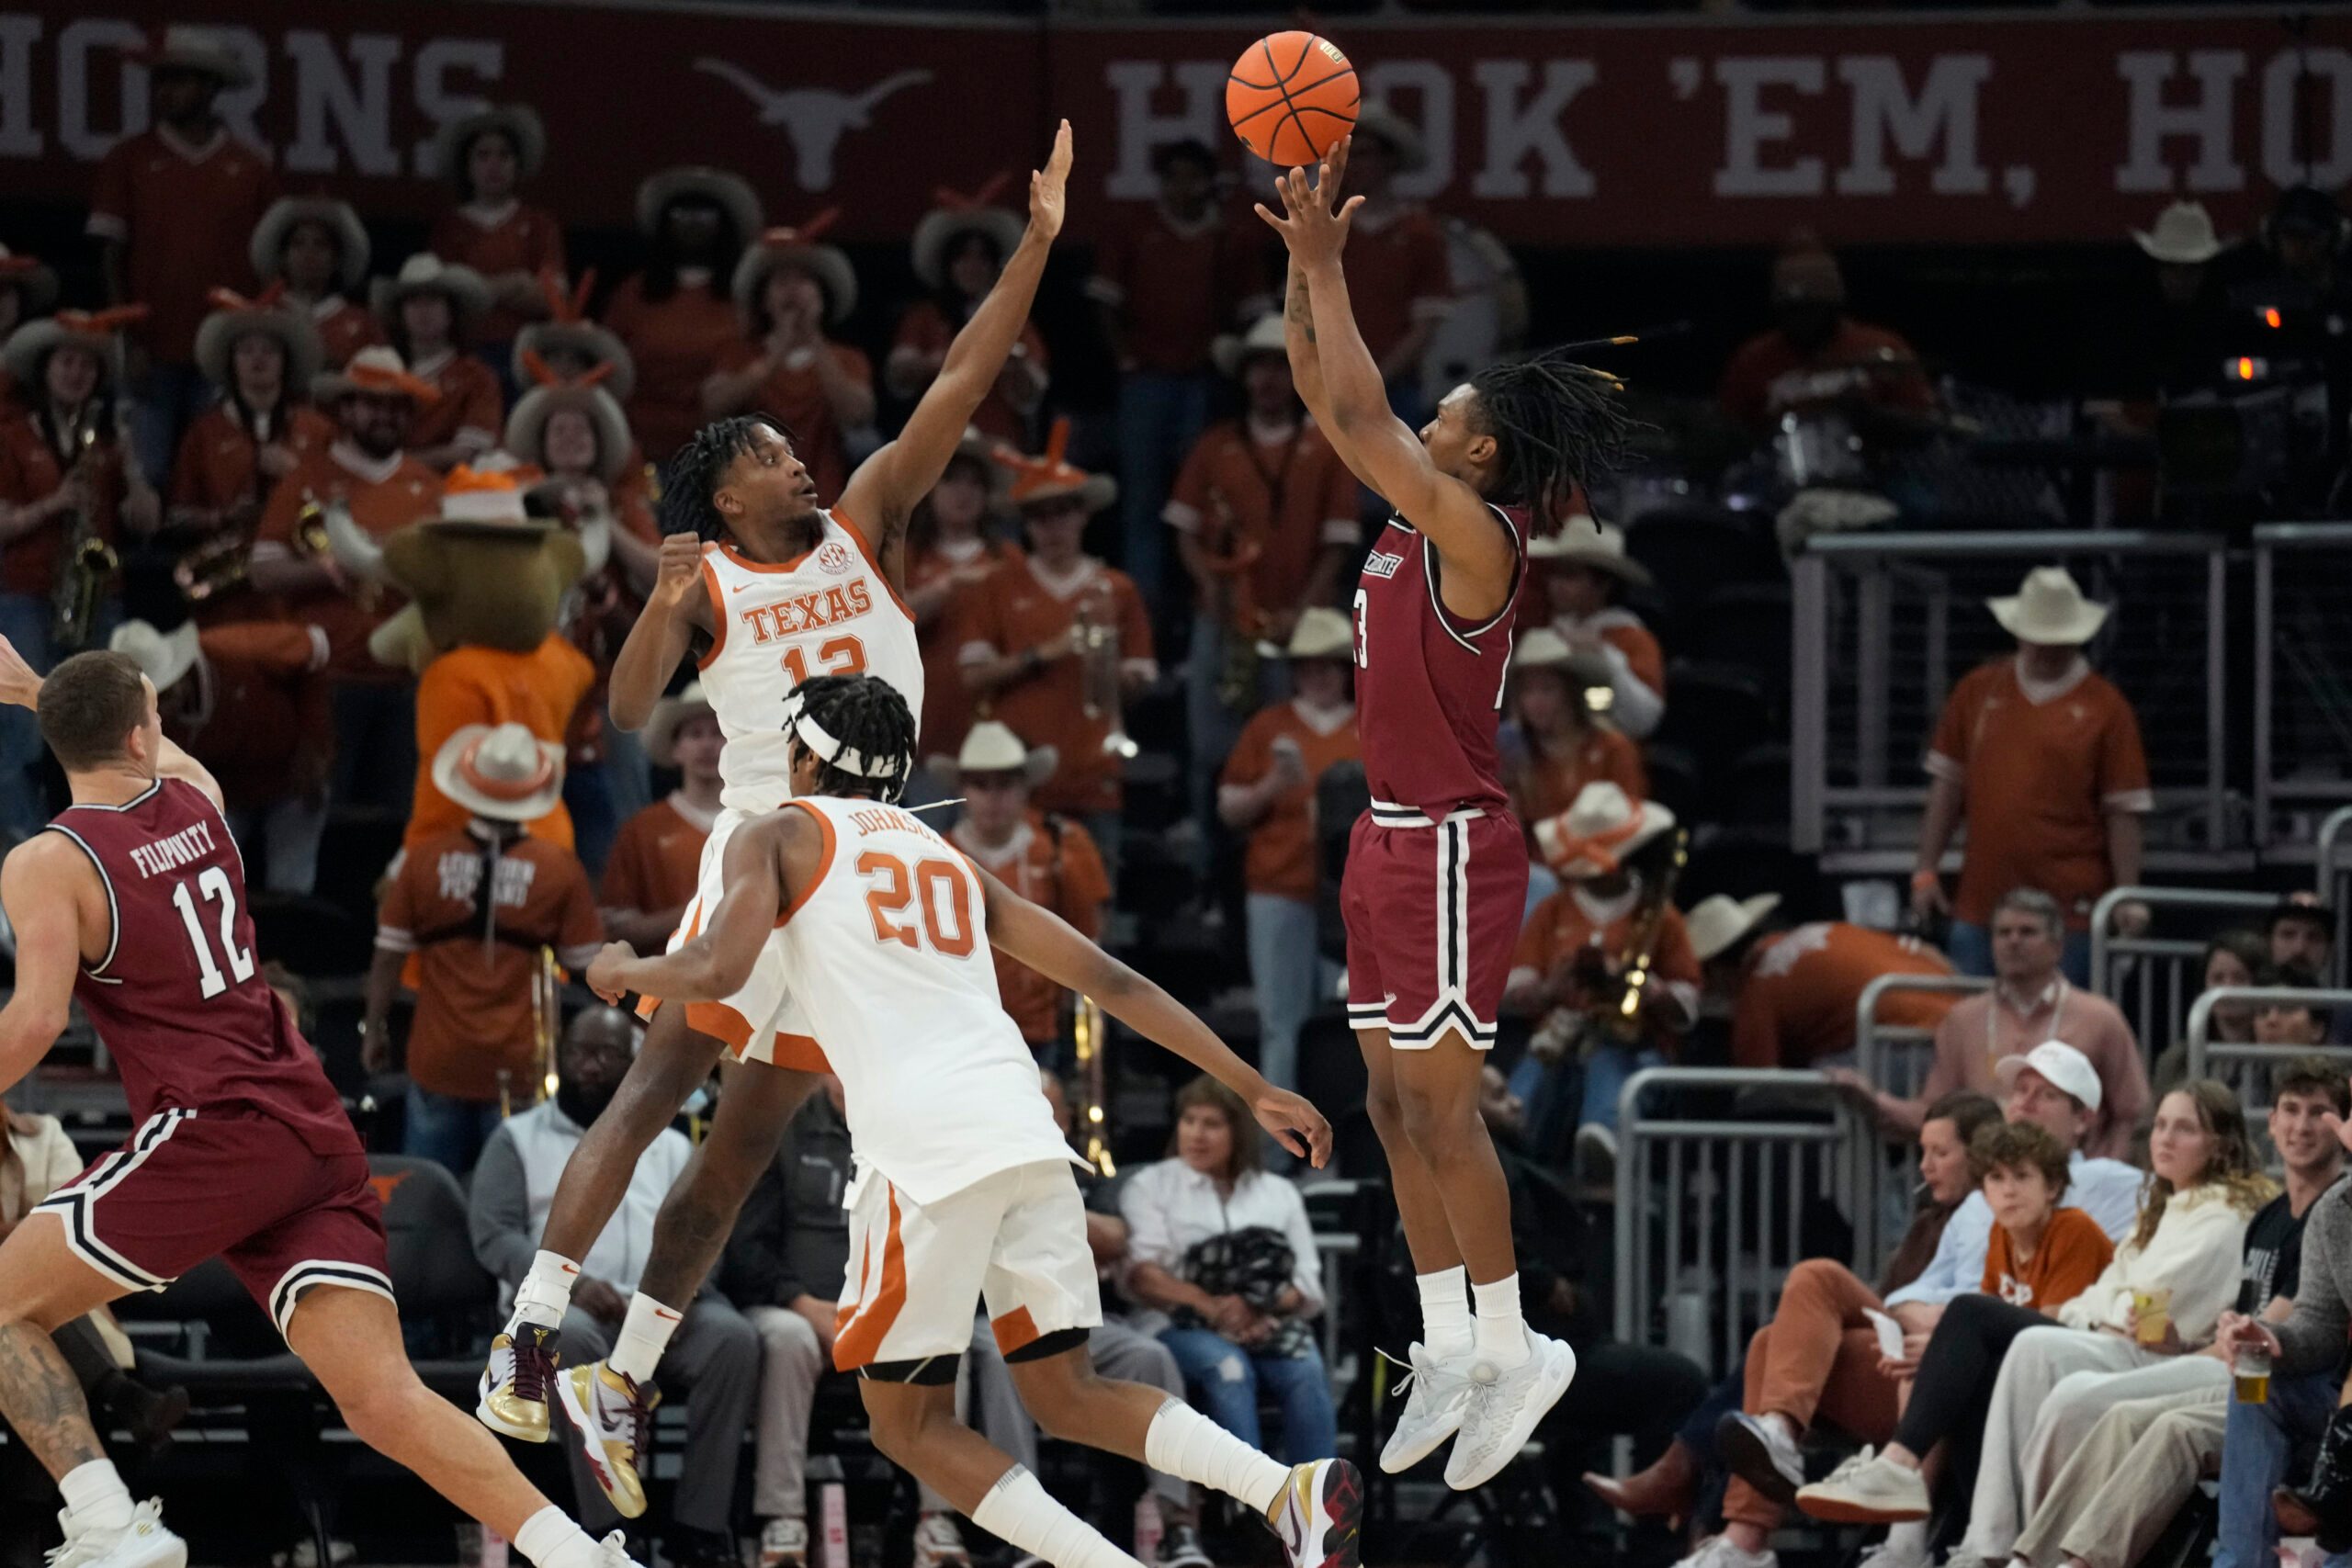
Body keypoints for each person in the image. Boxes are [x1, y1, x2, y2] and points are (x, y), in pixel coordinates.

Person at [474, 128, 1080, 1519]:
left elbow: (962, 382)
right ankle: (532, 1325)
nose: (797, 459)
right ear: (722, 493)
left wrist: (1037, 243)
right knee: (650, 1092)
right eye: (765, 452)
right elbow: (629, 713)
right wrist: (661, 603)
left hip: (871, 878)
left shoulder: (868, 517)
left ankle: (616, 1371)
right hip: (770, 857)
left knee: (739, 1150)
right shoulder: (710, 585)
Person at [583, 670, 1360, 1568]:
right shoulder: (942, 853)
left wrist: (626, 973)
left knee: (905, 1425)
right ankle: (1285, 1490)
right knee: (1069, 1392)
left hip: (923, 1152)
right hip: (1027, 1133)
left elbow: (720, 967)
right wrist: (1250, 1084)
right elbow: (1111, 980)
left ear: (801, 756)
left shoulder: (778, 831)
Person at [0, 642, 640, 1568]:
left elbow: (34, 1021)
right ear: (142, 734)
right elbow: (135, 743)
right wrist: (33, 686)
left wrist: (32, 695)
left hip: (216, 1131)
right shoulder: (200, 798)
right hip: (311, 1129)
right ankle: (580, 1555)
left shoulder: (49, 860)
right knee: (383, 1400)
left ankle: (105, 1520)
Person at [1261, 136, 1642, 1489]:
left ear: (1483, 448)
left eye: (1448, 413)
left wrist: (1328, 262)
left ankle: (1516, 1336)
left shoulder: (1477, 534)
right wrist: (1304, 282)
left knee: (1444, 1104)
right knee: (1382, 1097)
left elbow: (1360, 421)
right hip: (1383, 833)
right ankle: (1450, 1340)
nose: (1426, 418)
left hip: (1451, 843)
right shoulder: (1403, 517)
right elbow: (1328, 395)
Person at [1795, 1081, 2267, 1531]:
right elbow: (2106, 1295)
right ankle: (1968, 1538)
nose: (2164, 1138)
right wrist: (2087, 1309)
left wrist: (2082, 1311)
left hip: (2154, 1351)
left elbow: (2142, 1306)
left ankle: (1901, 1468)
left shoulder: (2219, 1216)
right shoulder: (2165, 1207)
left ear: (2220, 1143)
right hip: (2107, 1335)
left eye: (2183, 1128)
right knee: (1977, 1361)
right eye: (2160, 1124)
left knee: (1974, 1317)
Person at [1585, 1090, 2005, 1538]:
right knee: (1773, 1341)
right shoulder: (1935, 1219)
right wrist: (1905, 1308)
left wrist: (1909, 1310)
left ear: (1978, 1156)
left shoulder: (1987, 1210)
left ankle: (1702, 1477)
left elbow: (1967, 1305)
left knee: (1817, 1278)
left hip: (1936, 1363)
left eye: (1940, 1153)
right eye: (1922, 1152)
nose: (1924, 1166)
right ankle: (1740, 1532)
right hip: (1900, 1341)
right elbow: (1908, 1296)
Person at [1999, 1057, 2346, 1568]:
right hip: (2244, 1376)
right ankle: (2027, 1558)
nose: (2300, 1126)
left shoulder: (2326, 1210)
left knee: (2115, 1409)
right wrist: (2185, 1344)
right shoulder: (2271, 1217)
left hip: (2295, 1391)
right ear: (2269, 1122)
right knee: (2111, 1410)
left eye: (2319, 1113)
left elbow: (2296, 1330)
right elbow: (2260, 1326)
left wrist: (2246, 1341)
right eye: (2290, 1110)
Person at [469, 1008, 756, 1568]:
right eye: (579, 1052)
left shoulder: (672, 1144)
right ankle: (605, 1532)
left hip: (655, 1306)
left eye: (607, 1055)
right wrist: (577, 1286)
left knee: (733, 1341)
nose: (590, 1066)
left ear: (634, 1065)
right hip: (567, 1311)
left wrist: (677, 1296)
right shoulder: (518, 1138)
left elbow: (705, 1230)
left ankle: (699, 1530)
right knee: (574, 1341)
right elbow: (493, 1233)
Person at [960, 1072, 1216, 1568]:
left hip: (1076, 1316)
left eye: (1050, 1109)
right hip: (992, 1317)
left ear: (1065, 1118)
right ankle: (1031, 1532)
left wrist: (1045, 1199)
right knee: (994, 1361)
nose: (1040, 1117)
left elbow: (1118, 1237)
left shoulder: (1080, 1170)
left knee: (1149, 1354)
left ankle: (1179, 1526)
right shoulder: (980, 1164)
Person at [721, 1072, 975, 1568]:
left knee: (944, 1340)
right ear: (819, 1068)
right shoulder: (784, 1129)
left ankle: (936, 1519)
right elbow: (747, 1244)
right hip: (794, 1309)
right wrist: (799, 1302)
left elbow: (935, 1239)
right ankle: (782, 1517)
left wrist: (893, 1307)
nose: (849, 1078)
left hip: (886, 1311)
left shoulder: (913, 1136)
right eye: (837, 1066)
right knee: (788, 1340)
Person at [365, 722, 605, 1173]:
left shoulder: (423, 861)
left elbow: (387, 957)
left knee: (428, 1203)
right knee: (513, 1205)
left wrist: (374, 1028)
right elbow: (591, 972)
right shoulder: (559, 870)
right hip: (520, 1070)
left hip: (437, 1062)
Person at [1166, 310, 1362, 831]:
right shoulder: (1214, 445)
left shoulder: (1326, 446)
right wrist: (1211, 590)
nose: (1268, 380)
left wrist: (1301, 614)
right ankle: (1208, 870)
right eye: (1259, 367)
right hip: (1225, 620)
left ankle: (1282, 855)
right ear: (1244, 374)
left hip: (1293, 628)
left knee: (1284, 745)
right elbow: (1183, 532)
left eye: (1280, 367)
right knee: (1210, 747)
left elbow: (1338, 545)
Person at [1911, 568, 2154, 982]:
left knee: (2062, 1031)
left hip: (2070, 905)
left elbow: (2122, 812)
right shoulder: (1978, 691)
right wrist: (1925, 869)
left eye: (2054, 641)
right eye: (2037, 638)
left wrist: (2125, 894)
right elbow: (1947, 786)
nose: (2044, 650)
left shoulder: (2106, 708)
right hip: (1982, 900)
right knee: (1974, 1023)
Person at [1833, 886, 2147, 1160]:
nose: (2013, 941)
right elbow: (1933, 1113)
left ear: (2057, 947)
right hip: (1983, 1189)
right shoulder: (1964, 1018)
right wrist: (1875, 1101)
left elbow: (2133, 1113)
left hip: (2075, 1188)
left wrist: (2102, 1172)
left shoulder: (2099, 1017)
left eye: (2027, 932)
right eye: (2003, 932)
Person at [0, 310, 161, 840]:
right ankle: (22, 836)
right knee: (19, 730)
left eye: (87, 366)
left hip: (96, 594)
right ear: (45, 369)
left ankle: (94, 836)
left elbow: (146, 520)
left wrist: (135, 469)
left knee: (104, 727)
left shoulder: (108, 440)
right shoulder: (13, 434)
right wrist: (54, 504)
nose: (76, 373)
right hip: (24, 593)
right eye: (66, 362)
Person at [90, 26, 277, 481]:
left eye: (179, 80)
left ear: (210, 88)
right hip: (150, 350)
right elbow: (110, 255)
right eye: (161, 81)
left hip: (223, 350)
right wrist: (126, 339)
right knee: (143, 475)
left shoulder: (251, 166)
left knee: (219, 476)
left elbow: (271, 264)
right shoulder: (128, 158)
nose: (165, 91)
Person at [1091, 136, 1269, 613]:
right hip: (1147, 384)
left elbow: (1257, 313)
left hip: (1204, 386)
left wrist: (1231, 357)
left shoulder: (1229, 238)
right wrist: (1126, 359)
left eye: (1194, 178)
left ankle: (1204, 607)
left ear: (1210, 184)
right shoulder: (1134, 230)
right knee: (1143, 505)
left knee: (1202, 505)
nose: (1183, 188)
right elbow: (1105, 304)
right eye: (1173, 178)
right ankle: (1140, 614)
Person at [959, 429, 1156, 857]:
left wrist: (1113, 672)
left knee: (1093, 908)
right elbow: (972, 677)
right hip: (1018, 778)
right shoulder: (998, 585)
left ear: (1082, 515)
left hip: (1094, 771)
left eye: (1063, 511)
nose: (1053, 526)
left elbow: (1141, 677)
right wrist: (1047, 652)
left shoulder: (1116, 588)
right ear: (1026, 523)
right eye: (1039, 515)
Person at [1122, 1077, 1338, 1463]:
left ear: (1239, 1132)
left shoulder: (1279, 1192)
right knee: (1228, 1367)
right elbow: (1143, 1276)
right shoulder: (1150, 1185)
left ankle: (1318, 1504)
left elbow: (1306, 1286)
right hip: (1178, 1325)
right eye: (1189, 1121)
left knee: (1306, 1371)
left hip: (1267, 1323)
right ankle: (1251, 1505)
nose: (1197, 1135)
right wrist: (1213, 1308)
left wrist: (1255, 1308)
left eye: (1212, 1124)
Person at [1501, 783, 1699, 1158]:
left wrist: (1649, 990)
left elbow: (1688, 1000)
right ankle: (1506, 1141)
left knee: (1608, 1059)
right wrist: (1549, 989)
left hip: (1632, 1047)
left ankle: (1604, 1140)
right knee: (1535, 1071)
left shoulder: (1659, 915)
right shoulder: (1551, 911)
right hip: (1558, 1038)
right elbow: (1515, 987)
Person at [1217, 608, 1362, 1097]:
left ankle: (1344, 1141)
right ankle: (1282, 1152)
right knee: (1281, 1022)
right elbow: (1229, 808)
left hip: (1355, 900)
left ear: (1344, 669)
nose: (1316, 676)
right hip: (1280, 887)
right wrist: (1273, 785)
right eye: (1306, 665)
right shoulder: (1268, 726)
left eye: (1327, 665)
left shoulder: (1370, 728)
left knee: (1350, 1023)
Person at [105, 615, 331, 897]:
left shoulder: (236, 650)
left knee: (291, 888)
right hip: (221, 798)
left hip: (290, 781)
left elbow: (317, 647)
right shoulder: (134, 730)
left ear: (178, 680)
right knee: (196, 890)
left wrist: (314, 744)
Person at [939, 723, 1113, 1064]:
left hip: (1040, 1029)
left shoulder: (1062, 846)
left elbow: (1090, 934)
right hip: (958, 1030)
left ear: (1025, 789)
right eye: (980, 785)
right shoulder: (933, 854)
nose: (993, 798)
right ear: (963, 791)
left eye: (1005, 785)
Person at [1686, 894, 1959, 1072]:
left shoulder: (1757, 993)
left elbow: (1759, 1085)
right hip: (1963, 1025)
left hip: (1906, 1048)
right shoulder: (1822, 931)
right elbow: (1930, 954)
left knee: (1823, 1076)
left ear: (1718, 971)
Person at [704, 220, 874, 504]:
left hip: (825, 500)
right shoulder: (737, 353)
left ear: (822, 295)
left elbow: (858, 414)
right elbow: (713, 405)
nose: (792, 291)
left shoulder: (847, 358)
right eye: (782, 281)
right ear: (764, 299)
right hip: (754, 503)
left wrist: (814, 341)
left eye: (804, 281)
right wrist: (777, 352)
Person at [605, 168, 763, 463]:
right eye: (681, 213)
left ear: (724, 224)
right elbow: (606, 368)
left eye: (705, 215)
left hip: (720, 452)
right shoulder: (632, 293)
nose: (693, 223)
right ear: (665, 222)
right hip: (639, 447)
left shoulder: (746, 300)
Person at [165, 287, 333, 564]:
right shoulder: (205, 431)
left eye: (269, 350)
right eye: (246, 350)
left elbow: (345, 504)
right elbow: (176, 515)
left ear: (285, 361)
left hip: (299, 565)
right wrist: (222, 517)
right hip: (228, 567)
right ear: (231, 362)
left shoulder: (317, 428)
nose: (258, 359)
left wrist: (294, 476)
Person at [1715, 238, 1934, 441]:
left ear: (1832, 307)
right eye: (1790, 311)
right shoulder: (1755, 358)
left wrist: (1871, 416)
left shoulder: (1881, 348)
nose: (1799, 320)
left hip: (1876, 467)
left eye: (1809, 310)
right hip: (1781, 470)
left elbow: (1922, 423)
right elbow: (1729, 430)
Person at [891, 183, 1049, 448]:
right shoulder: (924, 317)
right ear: (948, 264)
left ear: (994, 265)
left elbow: (1033, 392)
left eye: (982, 258)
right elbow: (898, 376)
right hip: (934, 447)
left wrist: (1013, 364)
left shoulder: (1014, 318)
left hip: (999, 444)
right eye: (963, 257)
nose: (972, 267)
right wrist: (943, 361)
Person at [1328, 105, 1452, 423]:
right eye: (1349, 155)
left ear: (1390, 160)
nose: (1355, 165)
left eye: (1365, 154)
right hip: (1329, 386)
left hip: (1395, 390)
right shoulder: (1326, 228)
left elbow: (1425, 327)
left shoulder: (1419, 233)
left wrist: (1376, 379)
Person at [904, 426, 1016, 767]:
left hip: (997, 728)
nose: (963, 493)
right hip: (924, 729)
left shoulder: (1008, 558)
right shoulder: (907, 555)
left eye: (974, 483)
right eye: (951, 480)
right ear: (931, 489)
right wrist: (945, 588)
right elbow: (885, 621)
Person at [1500, 628, 1645, 875]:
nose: (1535, 702)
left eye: (1547, 689)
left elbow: (1632, 823)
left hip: (1603, 872)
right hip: (1534, 877)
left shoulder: (1612, 747)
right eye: (1527, 691)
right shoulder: (1514, 754)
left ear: (1570, 692)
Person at [426, 105, 563, 364]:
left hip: (527, 357)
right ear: (467, 165)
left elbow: (554, 297)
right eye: (483, 155)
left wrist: (477, 289)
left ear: (517, 163)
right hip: (465, 356)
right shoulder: (449, 227)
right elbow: (447, 302)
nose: (494, 165)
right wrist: (518, 282)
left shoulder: (539, 224)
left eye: (504, 155)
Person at [600, 684, 718, 956]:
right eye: (695, 734)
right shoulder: (642, 829)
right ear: (676, 749)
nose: (708, 745)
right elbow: (614, 931)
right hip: (665, 983)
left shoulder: (756, 818)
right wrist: (696, 911)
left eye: (718, 733)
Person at [1522, 522, 1664, 740]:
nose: (1555, 585)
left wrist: (1604, 657)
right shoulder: (1551, 630)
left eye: (1569, 576)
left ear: (1603, 584)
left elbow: (1643, 720)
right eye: (1555, 574)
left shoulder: (1633, 640)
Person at [375, 255, 501, 474]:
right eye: (413, 301)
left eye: (433, 299)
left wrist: (392, 464)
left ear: (451, 311)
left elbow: (466, 454)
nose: (424, 310)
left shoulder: (477, 376)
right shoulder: (382, 374)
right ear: (400, 314)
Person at [248, 197, 379, 371]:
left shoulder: (363, 324)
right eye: (298, 243)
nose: (309, 253)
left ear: (336, 260)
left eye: (320, 244)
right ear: (283, 258)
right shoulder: (258, 317)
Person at [2148, 930, 2267, 1100]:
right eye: (2218, 978)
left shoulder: (2275, 1056)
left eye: (2239, 979)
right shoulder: (2177, 1060)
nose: (2227, 988)